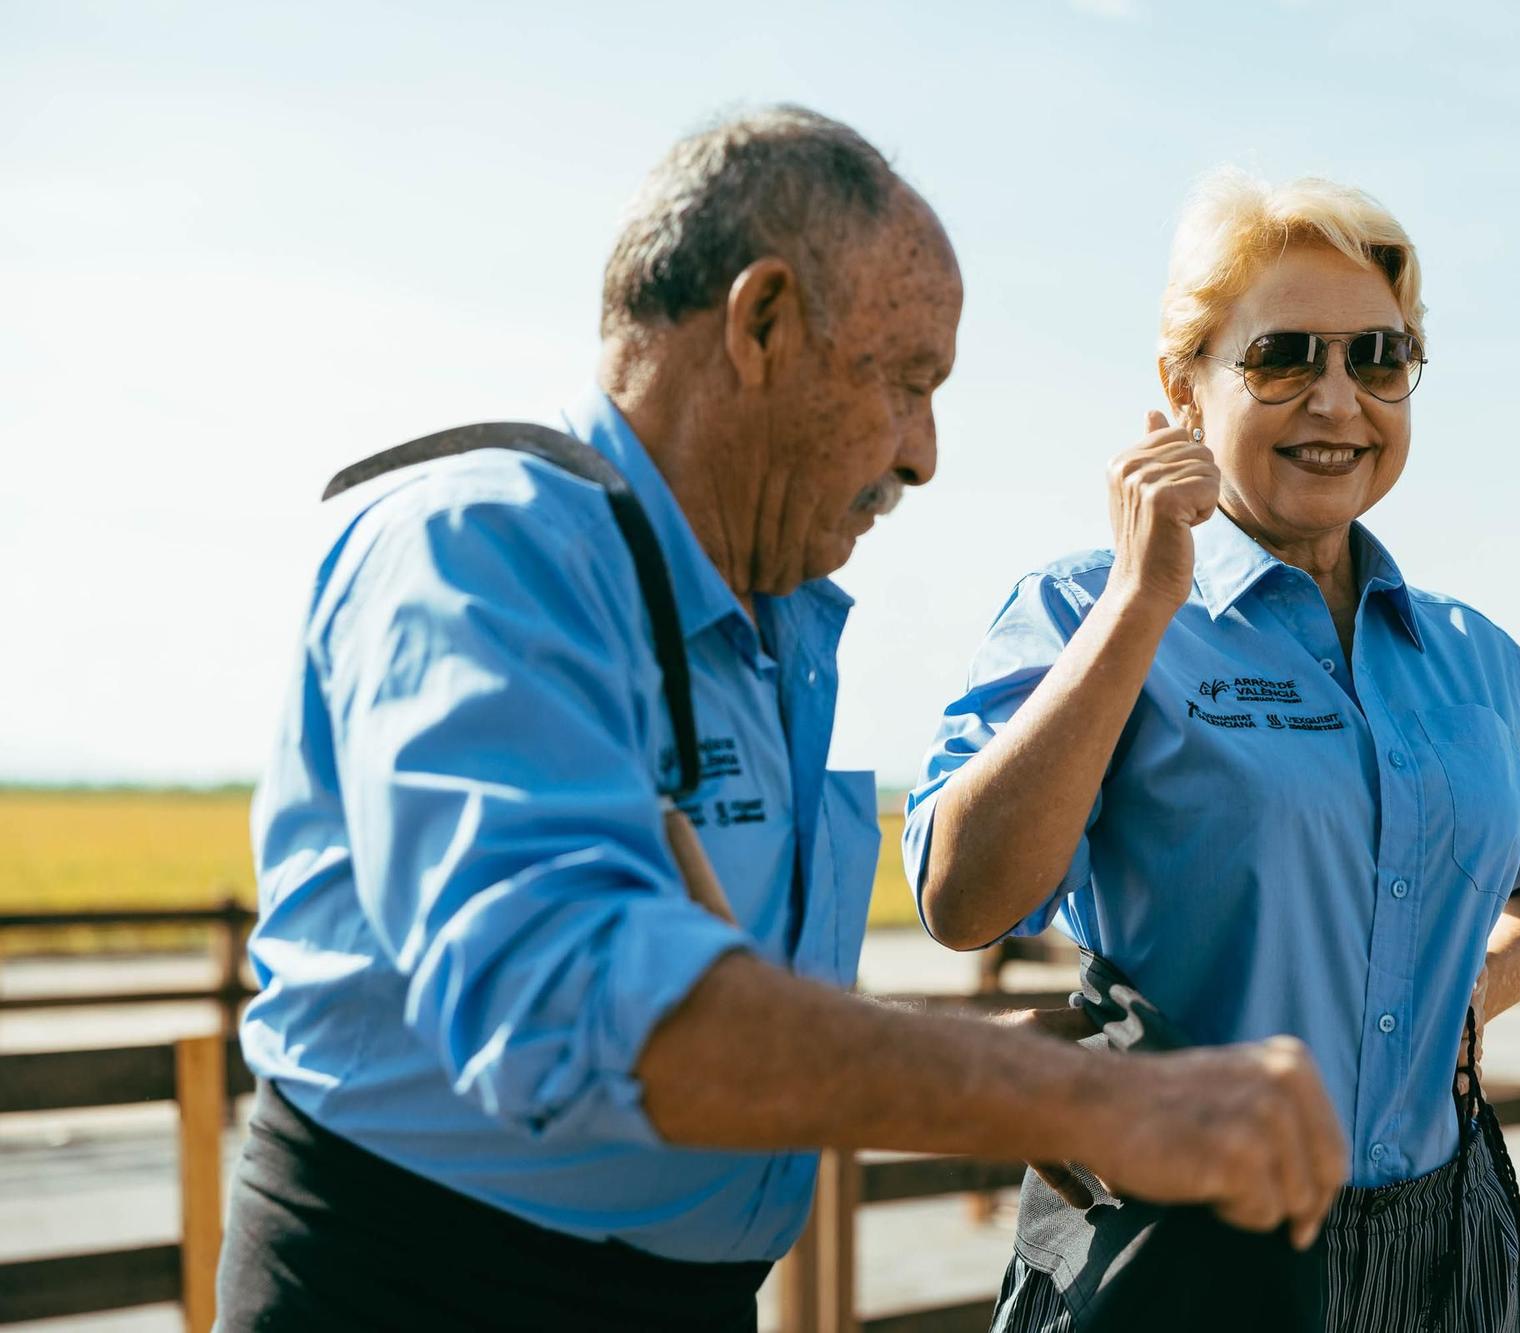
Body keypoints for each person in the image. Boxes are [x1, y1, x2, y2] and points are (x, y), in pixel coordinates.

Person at [217, 111, 1348, 1332]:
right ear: (758, 324)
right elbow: (576, 1002)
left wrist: (980, 1056)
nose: (923, 454)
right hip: (424, 1293)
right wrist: (1070, 1102)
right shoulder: (486, 550)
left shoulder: (767, 616)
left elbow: (710, 996)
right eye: (906, 381)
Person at [905, 169, 1520, 1330]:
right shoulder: (1081, 610)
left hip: (1443, 1248)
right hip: (1181, 1245)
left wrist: (1461, 995)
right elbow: (962, 897)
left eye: (1378, 360)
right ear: (1182, 388)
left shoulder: (1471, 659)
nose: (1337, 401)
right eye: (1283, 355)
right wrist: (1141, 599)